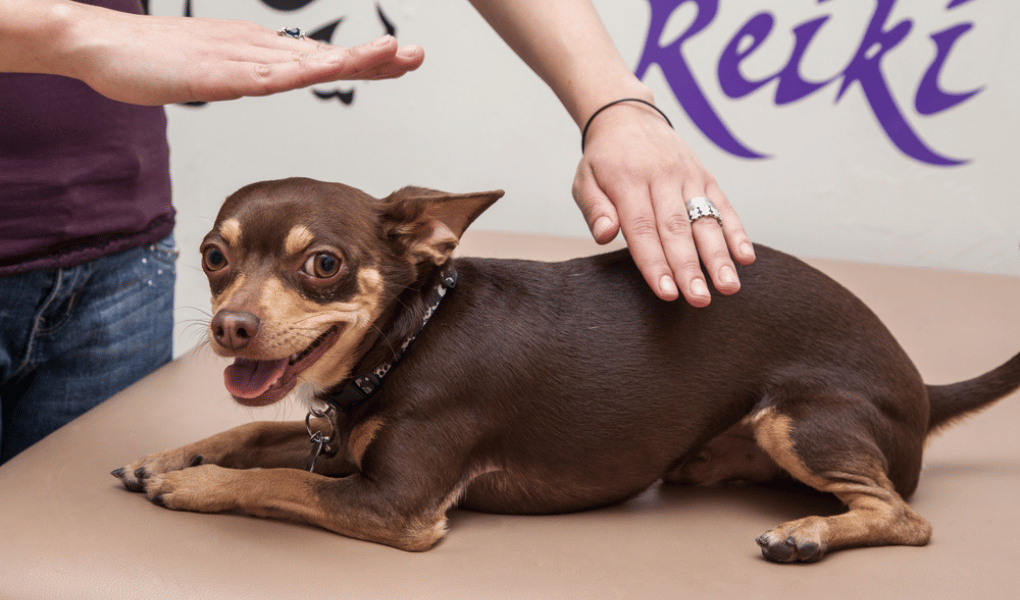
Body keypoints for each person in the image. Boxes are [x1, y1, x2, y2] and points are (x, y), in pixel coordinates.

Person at [0, 0, 752, 463]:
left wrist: (614, 101)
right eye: (221, 261)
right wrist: (66, 31)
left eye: (320, 264)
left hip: (116, 249)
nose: (234, 314)